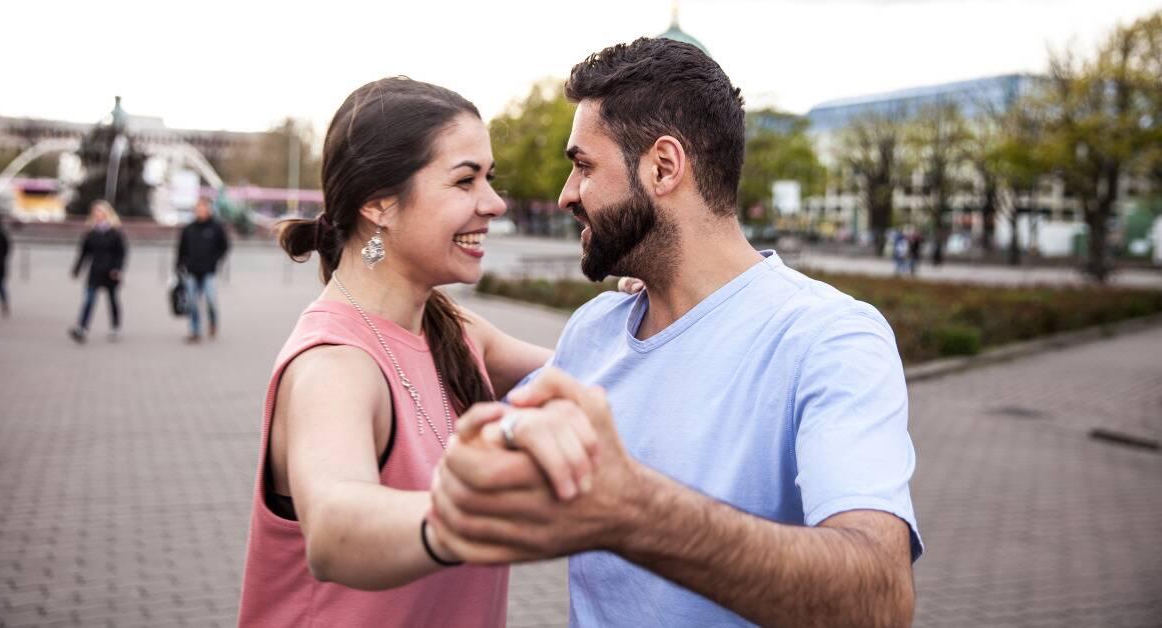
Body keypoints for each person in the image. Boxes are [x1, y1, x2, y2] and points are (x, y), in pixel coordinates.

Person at [429, 38, 922, 627]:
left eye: (584, 166)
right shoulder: (592, 332)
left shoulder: (830, 339)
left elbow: (878, 600)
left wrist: (633, 510)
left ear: (663, 167)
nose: (566, 195)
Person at [237, 77, 600, 627]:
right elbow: (336, 529)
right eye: (465, 180)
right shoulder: (334, 364)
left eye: (490, 178)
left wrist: (643, 307)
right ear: (379, 204)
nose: (495, 203)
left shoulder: (454, 331)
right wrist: (486, 510)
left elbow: (599, 376)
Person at [69, 200, 127, 343]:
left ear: (107, 214)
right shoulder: (91, 233)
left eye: (101, 212)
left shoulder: (115, 233)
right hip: (95, 271)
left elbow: (121, 253)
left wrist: (118, 269)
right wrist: (77, 269)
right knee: (89, 300)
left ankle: (115, 326)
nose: (98, 215)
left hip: (110, 272)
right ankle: (82, 328)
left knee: (112, 300)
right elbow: (84, 253)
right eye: (96, 212)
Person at [176, 197, 230, 342]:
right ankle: (195, 330)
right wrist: (178, 266)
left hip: (209, 271)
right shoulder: (188, 229)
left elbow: (224, 246)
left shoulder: (216, 227)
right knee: (192, 302)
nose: (201, 211)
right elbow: (181, 249)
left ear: (209, 209)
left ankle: (213, 322)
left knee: (210, 300)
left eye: (203, 208)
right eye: (198, 208)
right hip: (191, 270)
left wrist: (215, 260)